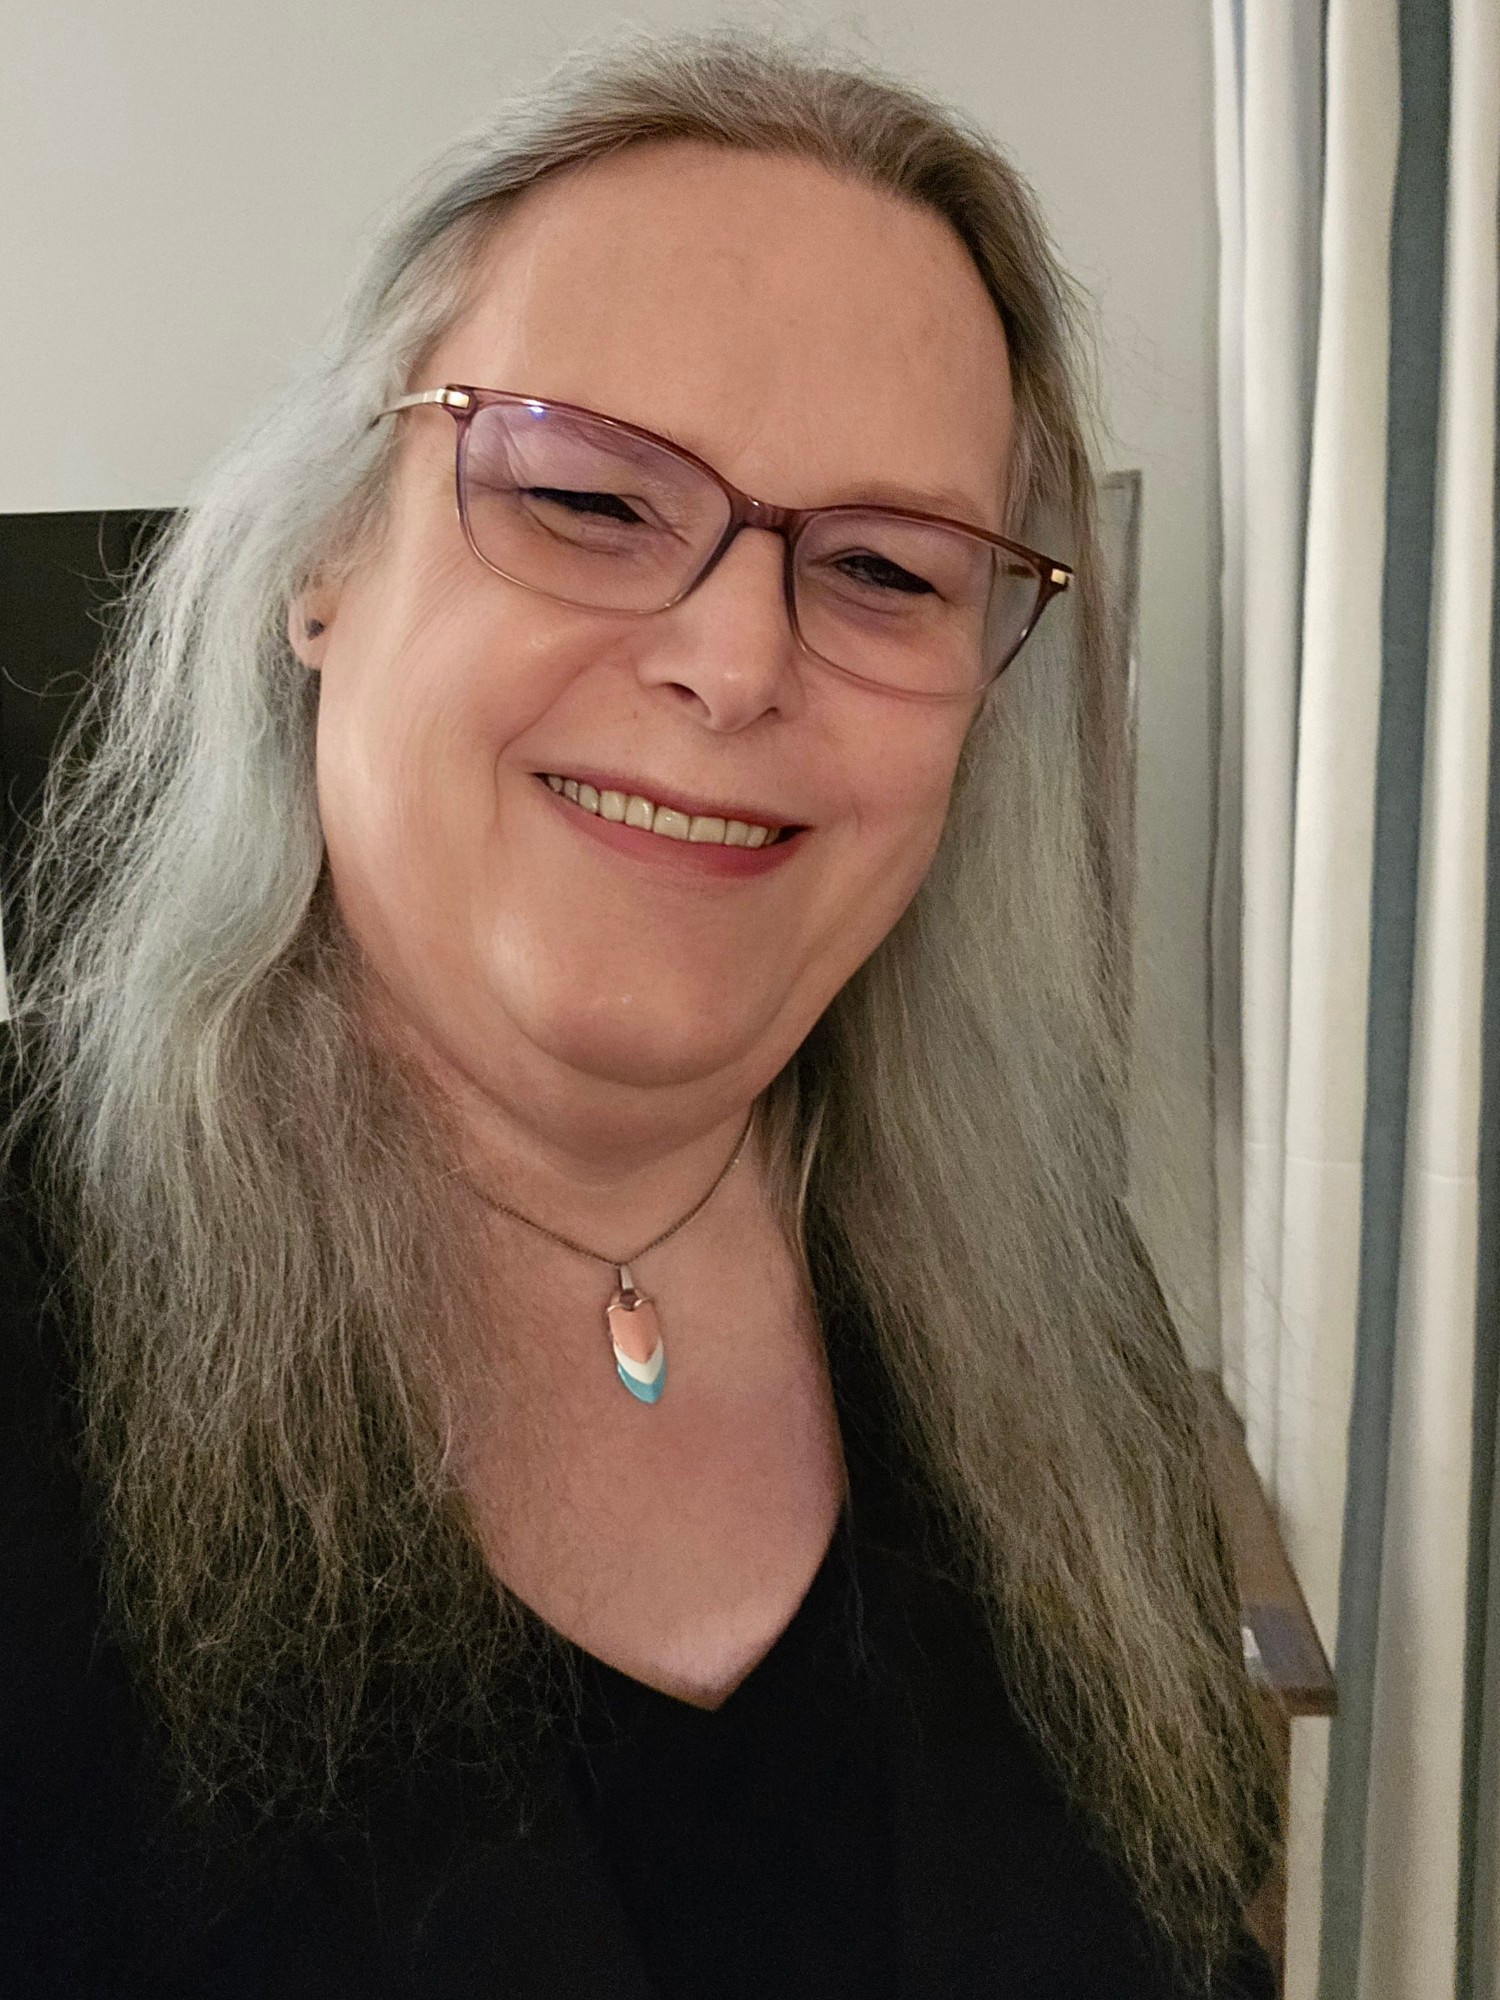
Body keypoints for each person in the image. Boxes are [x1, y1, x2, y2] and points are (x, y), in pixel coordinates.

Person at [0, 31, 1283, 1999]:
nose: (735, 656)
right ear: (327, 556)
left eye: (881, 567)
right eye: (590, 498)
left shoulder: (1061, 1317)